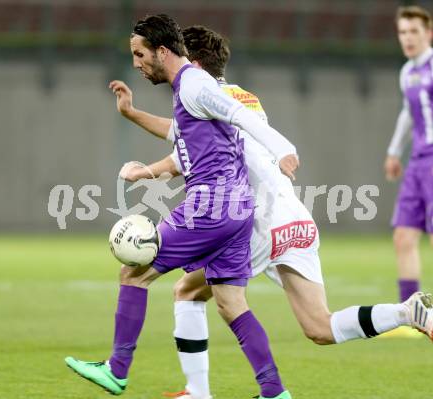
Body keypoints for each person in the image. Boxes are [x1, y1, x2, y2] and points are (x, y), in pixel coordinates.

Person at [111, 25, 433, 399]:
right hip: (296, 217)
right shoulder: (242, 98)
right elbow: (180, 136)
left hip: (258, 221)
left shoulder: (200, 96)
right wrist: (134, 116)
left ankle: (204, 391)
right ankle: (407, 313)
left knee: (187, 292)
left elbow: (182, 151)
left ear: (192, 61)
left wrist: (143, 168)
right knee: (319, 327)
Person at [65, 14, 298, 399]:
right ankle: (274, 390)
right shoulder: (189, 88)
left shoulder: (194, 84)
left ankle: (117, 369)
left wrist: (284, 149)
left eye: (139, 54)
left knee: (133, 272)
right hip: (239, 207)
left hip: (210, 205)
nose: (136, 63)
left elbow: (240, 116)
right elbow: (183, 134)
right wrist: (131, 115)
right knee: (230, 302)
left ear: (161, 51)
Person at [384, 5, 433, 337]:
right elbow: (407, 112)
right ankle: (411, 314)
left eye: (414, 31)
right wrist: (393, 151)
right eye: (403, 32)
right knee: (403, 236)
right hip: (417, 162)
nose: (408, 38)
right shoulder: (407, 72)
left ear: (428, 33)